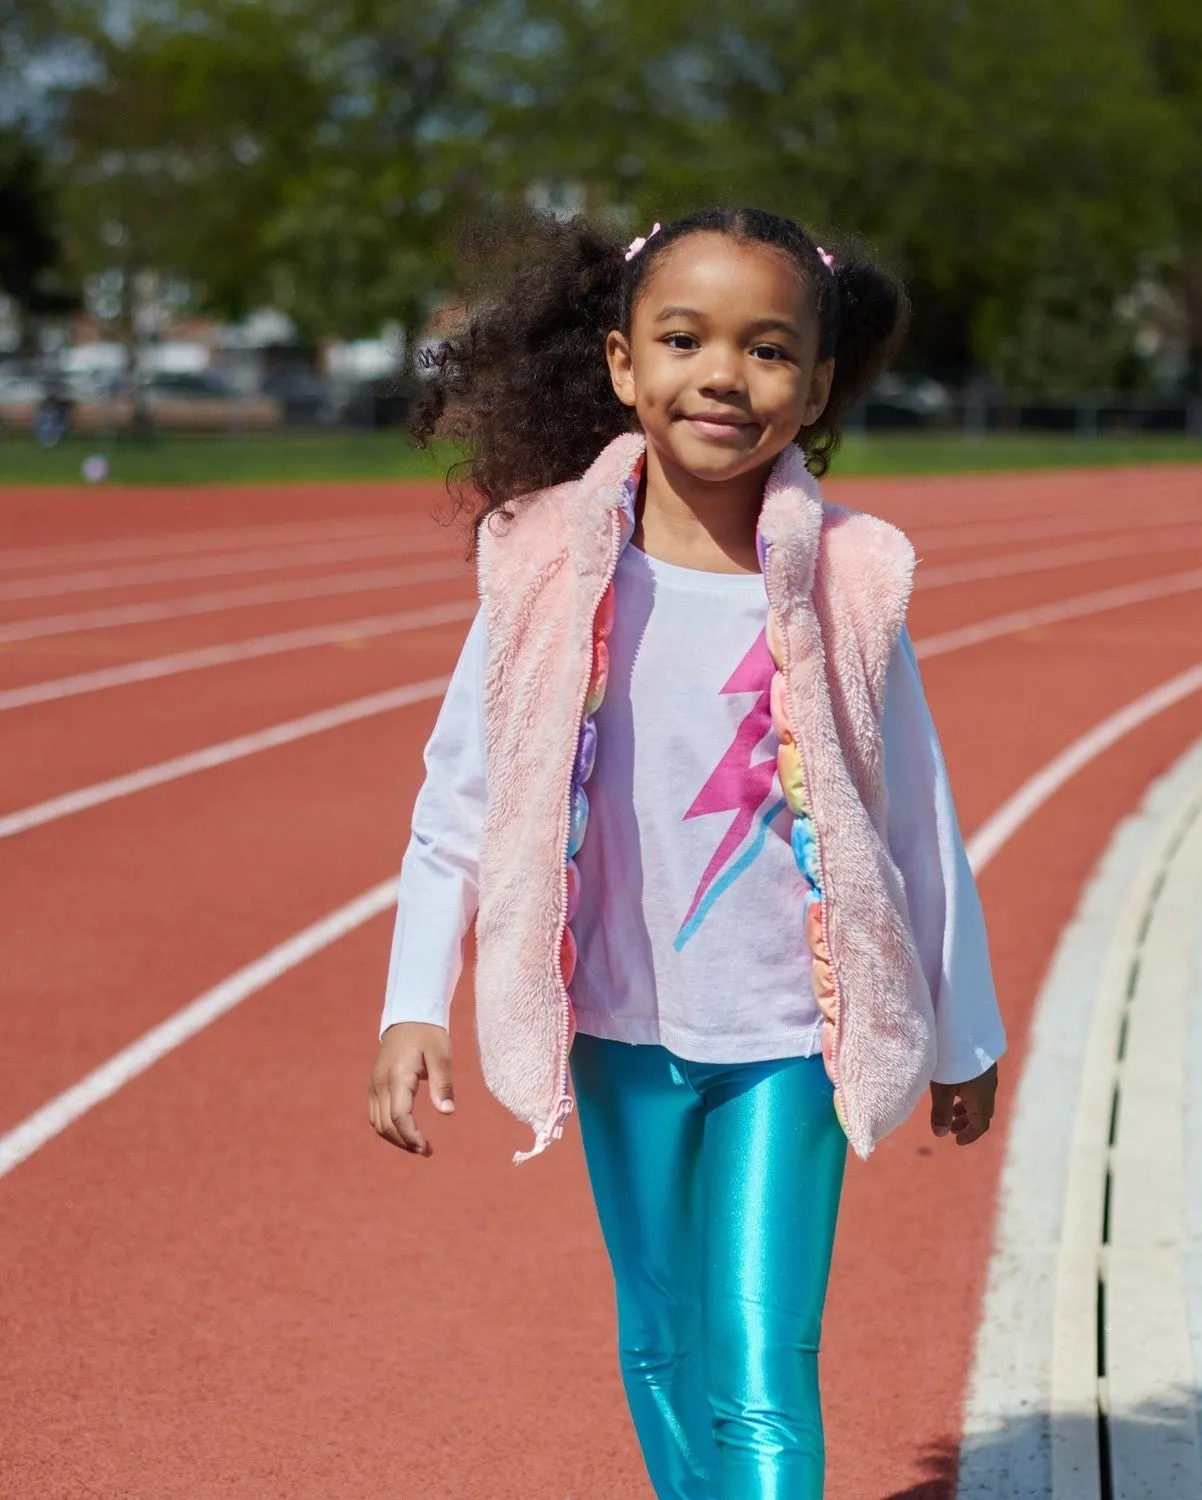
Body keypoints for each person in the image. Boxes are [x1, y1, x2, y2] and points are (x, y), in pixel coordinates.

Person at [366, 206, 1006, 1499]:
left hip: (786, 1040)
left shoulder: (851, 582)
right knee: (660, 1343)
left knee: (763, 1363)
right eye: (684, 339)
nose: (724, 374)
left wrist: (963, 1031)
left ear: (816, 387)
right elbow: (460, 799)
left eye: (769, 350)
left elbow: (915, 820)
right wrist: (408, 1003)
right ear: (621, 364)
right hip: (618, 1031)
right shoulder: (544, 568)